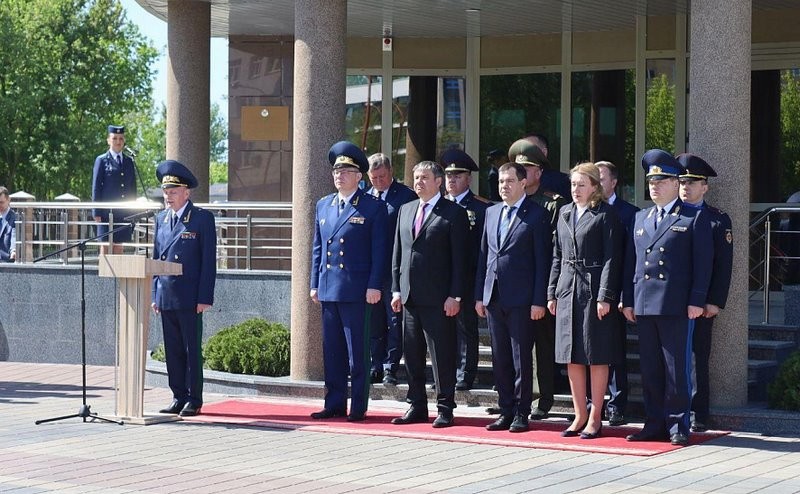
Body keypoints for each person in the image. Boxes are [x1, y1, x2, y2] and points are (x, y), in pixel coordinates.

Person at [622, 149, 713, 447]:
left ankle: (678, 424)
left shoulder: (693, 216)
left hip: (676, 304)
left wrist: (697, 300)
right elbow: (631, 264)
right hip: (645, 303)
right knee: (650, 368)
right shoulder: (640, 217)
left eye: (661, 181)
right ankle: (654, 422)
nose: (654, 186)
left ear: (676, 183)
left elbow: (703, 264)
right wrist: (629, 299)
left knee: (677, 369)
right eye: (651, 181)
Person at [310, 142, 388, 422]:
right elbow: (317, 247)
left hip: (356, 290)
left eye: (346, 171)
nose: (339, 175)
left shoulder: (372, 207)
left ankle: (358, 407)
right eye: (336, 171)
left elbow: (380, 250)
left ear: (359, 177)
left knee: (357, 354)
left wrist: (375, 285)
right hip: (329, 288)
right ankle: (334, 403)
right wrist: (314, 283)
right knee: (332, 353)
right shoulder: (323, 205)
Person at [548, 162, 624, 439]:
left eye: (581, 185)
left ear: (595, 186)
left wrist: (605, 296)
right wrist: (552, 291)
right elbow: (557, 255)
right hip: (568, 289)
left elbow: (611, 259)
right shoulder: (565, 212)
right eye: (572, 185)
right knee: (571, 355)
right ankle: (579, 414)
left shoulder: (606, 215)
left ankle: (596, 416)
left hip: (592, 292)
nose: (576, 190)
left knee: (596, 354)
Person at [391, 161, 469, 428]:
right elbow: (398, 254)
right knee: (411, 355)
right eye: (416, 177)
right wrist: (396, 289)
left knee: (442, 356)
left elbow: (461, 260)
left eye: (424, 177)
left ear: (438, 181)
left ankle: (445, 407)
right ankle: (416, 405)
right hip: (410, 297)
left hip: (439, 299)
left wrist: (455, 296)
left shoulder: (453, 213)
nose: (419, 182)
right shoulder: (406, 209)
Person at [475, 162, 551, 432]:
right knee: (500, 357)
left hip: (522, 298)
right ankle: (505, 408)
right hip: (494, 295)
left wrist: (538, 300)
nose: (503, 186)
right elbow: (484, 256)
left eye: (509, 181)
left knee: (521, 358)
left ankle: (522, 411)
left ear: (523, 184)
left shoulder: (537, 215)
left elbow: (543, 261)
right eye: (500, 182)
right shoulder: (492, 212)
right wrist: (479, 295)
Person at [508, 138, 568, 420]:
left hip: (541, 284)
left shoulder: (552, 204)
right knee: (514, 346)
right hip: (513, 287)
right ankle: (514, 397)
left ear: (539, 173)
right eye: (518, 168)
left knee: (542, 346)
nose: (522, 174)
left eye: (528, 169)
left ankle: (543, 399)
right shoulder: (510, 203)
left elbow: (554, 248)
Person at [151, 160, 217, 417]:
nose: (169, 196)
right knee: (172, 350)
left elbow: (208, 262)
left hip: (190, 297)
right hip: (166, 296)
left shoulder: (201, 219)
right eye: (166, 191)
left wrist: (204, 297)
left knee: (191, 349)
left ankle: (194, 398)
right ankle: (177, 395)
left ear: (186, 192)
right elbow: (156, 258)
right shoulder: (160, 219)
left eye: (174, 191)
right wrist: (155, 294)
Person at [676, 153, 733, 433]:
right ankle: (672, 408)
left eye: (692, 182)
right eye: (682, 181)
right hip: (671, 301)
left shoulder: (717, 220)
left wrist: (714, 301)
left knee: (698, 356)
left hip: (701, 303)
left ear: (705, 186)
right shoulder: (668, 215)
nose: (685, 186)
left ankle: (699, 412)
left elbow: (723, 267)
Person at [365, 153, 416, 386]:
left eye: (382, 176)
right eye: (373, 177)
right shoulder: (365, 197)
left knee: (395, 321)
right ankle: (376, 364)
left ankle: (390, 366)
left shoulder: (406, 197)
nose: (378, 182)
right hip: (371, 272)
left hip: (395, 270)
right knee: (374, 321)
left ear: (391, 172)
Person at [596, 161, 640, 426]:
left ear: (614, 182)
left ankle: (616, 404)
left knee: (615, 351)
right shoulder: (585, 210)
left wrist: (625, 295)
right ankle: (593, 405)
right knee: (592, 352)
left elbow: (629, 259)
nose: (597, 183)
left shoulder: (629, 213)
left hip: (616, 292)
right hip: (590, 292)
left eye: (601, 178)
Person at [442, 148, 490, 391]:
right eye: (449, 175)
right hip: (440, 279)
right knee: (442, 330)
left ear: (468, 179)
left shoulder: (482, 209)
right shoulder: (437, 206)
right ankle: (445, 373)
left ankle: (465, 373)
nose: (452, 180)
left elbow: (483, 250)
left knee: (465, 328)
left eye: (457, 176)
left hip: (469, 278)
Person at [92, 125, 137, 254]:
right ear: (108, 140)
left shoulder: (129, 161)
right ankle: (104, 274)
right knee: (105, 245)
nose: (118, 141)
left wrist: (133, 210)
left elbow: (132, 188)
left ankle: (117, 274)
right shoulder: (101, 160)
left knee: (119, 246)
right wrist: (97, 212)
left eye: (121, 138)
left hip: (123, 212)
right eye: (115, 138)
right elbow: (96, 187)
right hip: (106, 213)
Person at [524, 133, 570, 198]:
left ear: (544, 152)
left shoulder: (561, 181)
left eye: (530, 149)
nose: (525, 153)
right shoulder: (514, 179)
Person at [0, 186, 16, 262]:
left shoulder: (14, 218)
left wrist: (13, 251)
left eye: (1, 202)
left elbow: (14, 235)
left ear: (8, 200)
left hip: (6, 262)